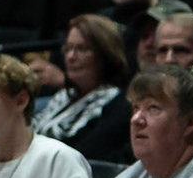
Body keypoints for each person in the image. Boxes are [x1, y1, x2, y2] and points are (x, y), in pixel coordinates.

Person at [32, 13, 134, 162]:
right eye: (68, 48)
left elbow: (81, 155)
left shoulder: (114, 104)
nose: (71, 57)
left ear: (104, 55)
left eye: (82, 49)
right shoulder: (64, 96)